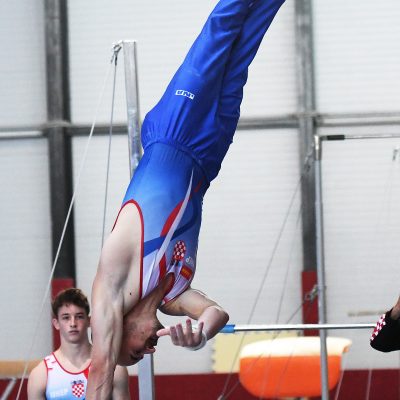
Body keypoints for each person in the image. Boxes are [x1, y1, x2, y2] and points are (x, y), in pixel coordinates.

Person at [87, 0, 286, 397]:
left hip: (172, 133)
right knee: (245, 48)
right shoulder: (175, 295)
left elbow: (100, 371)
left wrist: (107, 368)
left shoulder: (114, 284)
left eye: (136, 352)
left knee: (221, 33)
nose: (150, 350)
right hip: (208, 156)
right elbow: (216, 312)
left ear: (116, 332)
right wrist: (202, 334)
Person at [27, 288, 130, 399]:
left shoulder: (113, 369)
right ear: (56, 323)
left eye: (79, 316)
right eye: (66, 318)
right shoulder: (40, 375)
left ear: (89, 321)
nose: (73, 323)